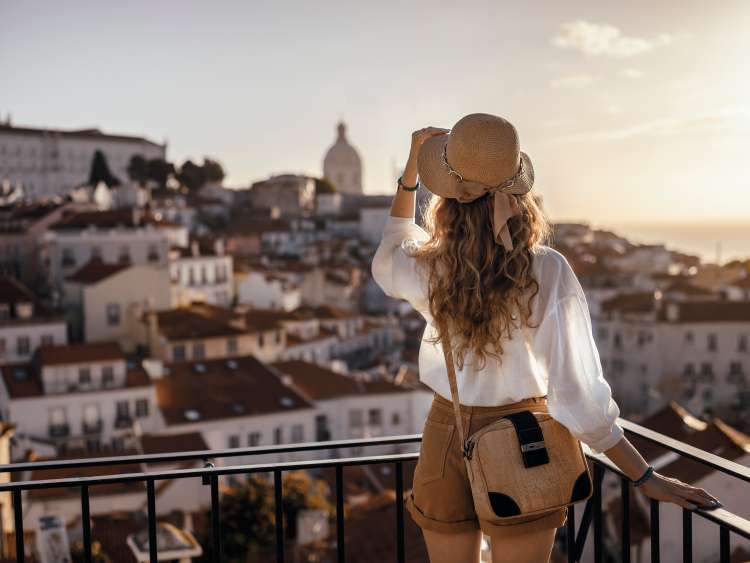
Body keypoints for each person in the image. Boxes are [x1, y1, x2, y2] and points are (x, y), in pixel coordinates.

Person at [371, 113, 721, 563]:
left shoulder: (430, 268)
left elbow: (389, 252)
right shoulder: (546, 270)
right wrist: (644, 475)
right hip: (526, 439)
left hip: (444, 433)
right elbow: (577, 395)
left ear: (447, 202)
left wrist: (410, 173)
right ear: (520, 195)